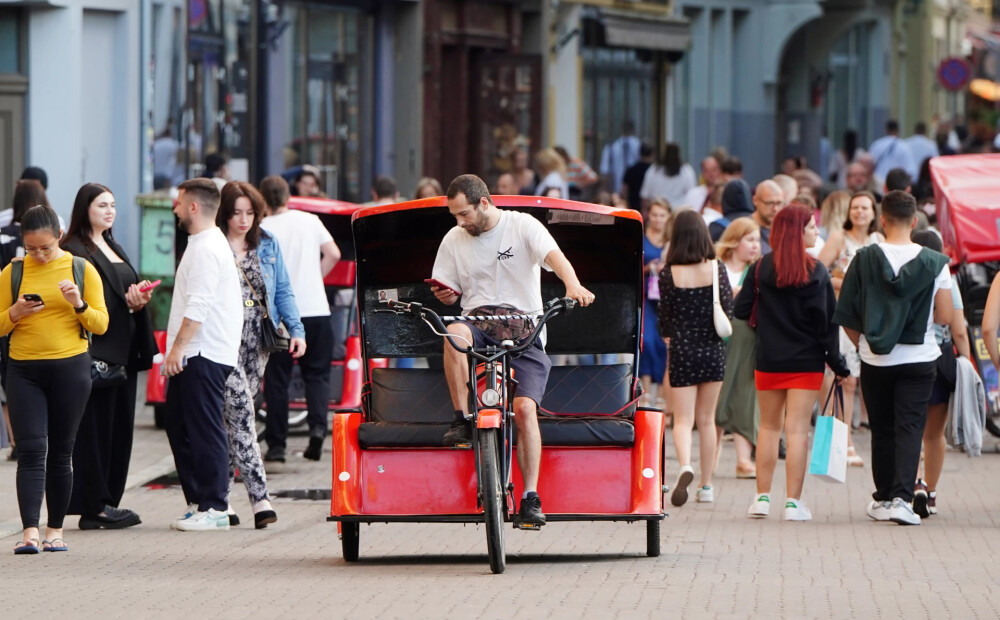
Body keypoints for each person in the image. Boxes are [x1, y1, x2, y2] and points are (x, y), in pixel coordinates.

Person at [431, 174, 594, 526]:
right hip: (478, 324)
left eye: (464, 214)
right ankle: (460, 420)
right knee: (454, 331)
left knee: (523, 409)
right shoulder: (454, 238)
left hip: (525, 329)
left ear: (484, 203)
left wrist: (574, 285)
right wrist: (445, 294)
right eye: (455, 216)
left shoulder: (522, 226)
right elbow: (449, 287)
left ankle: (530, 496)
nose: (460, 222)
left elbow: (556, 257)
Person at [833, 190, 953, 526]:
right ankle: (903, 498)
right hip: (920, 357)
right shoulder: (935, 262)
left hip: (875, 359)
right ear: (914, 222)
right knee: (910, 427)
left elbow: (847, 314)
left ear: (881, 220)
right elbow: (944, 315)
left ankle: (884, 497)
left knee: (882, 428)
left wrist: (864, 345)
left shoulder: (864, 258)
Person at [1, 205, 109, 553]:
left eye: (45, 247)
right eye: (32, 249)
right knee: (32, 450)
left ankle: (55, 531)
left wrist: (78, 304)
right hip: (23, 370)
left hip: (71, 368)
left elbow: (101, 324)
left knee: (62, 452)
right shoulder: (12, 272)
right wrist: (14, 313)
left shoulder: (81, 269)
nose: (39, 255)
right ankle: (29, 533)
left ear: (59, 237)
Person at [735, 205, 849, 521]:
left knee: (769, 428)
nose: (815, 232)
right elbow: (827, 323)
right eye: (811, 227)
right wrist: (837, 363)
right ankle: (792, 503)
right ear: (798, 232)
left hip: (769, 358)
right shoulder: (816, 272)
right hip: (807, 361)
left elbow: (741, 310)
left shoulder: (760, 268)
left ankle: (761, 498)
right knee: (797, 430)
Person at [61, 184, 158, 530]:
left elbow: (119, 294)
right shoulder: (73, 250)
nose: (110, 211)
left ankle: (105, 501)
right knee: (95, 430)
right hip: (95, 353)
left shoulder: (113, 245)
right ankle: (94, 505)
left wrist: (138, 301)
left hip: (123, 351)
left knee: (117, 429)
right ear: (84, 208)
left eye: (113, 205)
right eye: (102, 205)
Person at [216, 181, 307, 529]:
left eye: (249, 213)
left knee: (232, 419)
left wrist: (296, 330)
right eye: (236, 213)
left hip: (259, 342)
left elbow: (282, 288)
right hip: (222, 340)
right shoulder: (214, 243)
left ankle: (219, 500)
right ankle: (260, 500)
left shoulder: (266, 242)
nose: (243, 220)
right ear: (224, 213)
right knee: (242, 414)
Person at [163, 178, 243, 531]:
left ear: (193, 206)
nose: (175, 208)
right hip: (198, 351)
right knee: (179, 424)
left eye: (178, 202)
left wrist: (178, 348)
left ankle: (215, 507)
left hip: (203, 351)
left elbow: (199, 303)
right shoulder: (202, 243)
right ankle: (200, 501)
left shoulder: (207, 247)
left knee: (204, 428)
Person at [259, 175, 341, 462]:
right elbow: (333, 253)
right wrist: (315, 279)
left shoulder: (262, 228)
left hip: (280, 316)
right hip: (316, 309)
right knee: (317, 375)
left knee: (277, 379)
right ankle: (317, 431)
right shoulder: (309, 220)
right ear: (287, 196)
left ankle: (277, 445)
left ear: (263, 200)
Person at [658, 210, 732, 506]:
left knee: (682, 418)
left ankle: (685, 464)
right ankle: (707, 485)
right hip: (713, 349)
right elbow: (727, 306)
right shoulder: (717, 268)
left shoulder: (668, 272)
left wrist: (670, 333)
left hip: (683, 349)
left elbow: (665, 317)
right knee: (707, 420)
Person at [817, 190, 884, 466]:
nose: (859, 212)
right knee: (845, 379)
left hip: (871, 316)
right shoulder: (838, 237)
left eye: (865, 208)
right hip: (843, 314)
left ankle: (845, 440)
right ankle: (844, 443)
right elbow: (818, 271)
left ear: (873, 212)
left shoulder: (879, 239)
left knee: (865, 378)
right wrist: (846, 285)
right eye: (855, 207)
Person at [911, 230, 969, 518]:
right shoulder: (946, 276)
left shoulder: (901, 273)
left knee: (907, 429)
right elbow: (957, 327)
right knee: (934, 434)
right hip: (938, 358)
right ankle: (930, 492)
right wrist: (967, 361)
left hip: (905, 357)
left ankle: (908, 487)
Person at [713, 218, 761, 478]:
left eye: (757, 241)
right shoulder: (715, 267)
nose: (755, 246)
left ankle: (744, 460)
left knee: (745, 397)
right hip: (717, 339)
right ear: (734, 240)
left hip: (745, 340)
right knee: (716, 398)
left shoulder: (757, 270)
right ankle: (712, 455)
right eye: (749, 240)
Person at [639, 199, 670, 407]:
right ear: (649, 215)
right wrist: (648, 268)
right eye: (655, 214)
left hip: (665, 298)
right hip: (645, 296)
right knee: (647, 341)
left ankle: (660, 393)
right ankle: (645, 390)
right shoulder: (642, 239)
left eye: (662, 215)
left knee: (662, 343)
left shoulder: (670, 240)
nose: (658, 219)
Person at [639, 143, 697, 211]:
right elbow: (692, 194)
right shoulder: (687, 171)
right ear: (679, 154)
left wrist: (644, 211)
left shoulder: (653, 170)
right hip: (677, 212)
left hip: (658, 212)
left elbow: (644, 195)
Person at [869, 120, 918, 186]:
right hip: (897, 185)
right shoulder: (904, 146)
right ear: (898, 130)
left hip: (878, 184)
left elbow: (869, 166)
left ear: (886, 130)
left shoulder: (877, 145)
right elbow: (910, 171)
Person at [600, 120, 641, 195]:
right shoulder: (638, 146)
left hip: (617, 189)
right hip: (635, 189)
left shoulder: (612, 147)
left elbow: (605, 172)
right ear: (633, 130)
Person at [752, 180, 783, 255]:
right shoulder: (743, 228)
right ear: (755, 200)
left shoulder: (785, 228)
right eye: (769, 203)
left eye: (779, 203)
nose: (775, 209)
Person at [621, 143, 654, 211]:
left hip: (633, 206)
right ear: (652, 154)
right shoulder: (653, 171)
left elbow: (624, 190)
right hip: (649, 209)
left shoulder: (631, 170)